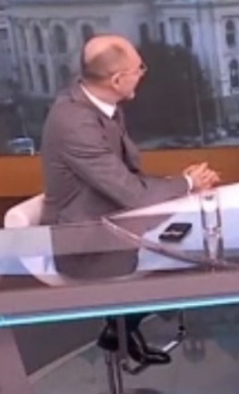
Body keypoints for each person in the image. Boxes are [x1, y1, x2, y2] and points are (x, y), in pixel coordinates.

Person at [40, 34, 220, 366]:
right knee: (189, 260)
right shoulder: (75, 123)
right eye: (139, 69)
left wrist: (179, 183)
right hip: (84, 242)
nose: (143, 74)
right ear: (117, 80)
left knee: (192, 241)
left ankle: (122, 326)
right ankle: (123, 324)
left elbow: (126, 181)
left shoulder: (99, 102)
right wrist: (187, 183)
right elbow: (132, 193)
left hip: (117, 216)